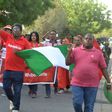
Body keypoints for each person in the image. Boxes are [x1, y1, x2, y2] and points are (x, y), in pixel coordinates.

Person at [66, 33, 111, 112]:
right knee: (77, 103)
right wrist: (69, 52)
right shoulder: (76, 50)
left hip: (92, 85)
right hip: (77, 83)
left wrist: (108, 82)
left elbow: (103, 68)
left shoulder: (98, 53)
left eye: (90, 39)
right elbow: (67, 63)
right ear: (83, 40)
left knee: (89, 107)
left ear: (93, 41)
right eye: (86, 39)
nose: (88, 40)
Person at [0, 23, 31, 112]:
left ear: (20, 31)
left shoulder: (25, 42)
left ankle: (16, 108)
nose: (15, 30)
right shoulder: (8, 37)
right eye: (13, 29)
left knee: (17, 90)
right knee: (6, 88)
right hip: (8, 70)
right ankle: (14, 101)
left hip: (19, 71)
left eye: (17, 29)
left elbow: (29, 54)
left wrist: (19, 52)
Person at [27, 31, 39, 98]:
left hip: (36, 63)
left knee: (35, 77)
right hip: (29, 63)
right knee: (29, 77)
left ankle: (34, 92)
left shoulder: (40, 45)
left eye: (35, 36)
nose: (33, 37)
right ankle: (31, 89)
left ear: (37, 37)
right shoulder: (27, 44)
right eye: (32, 36)